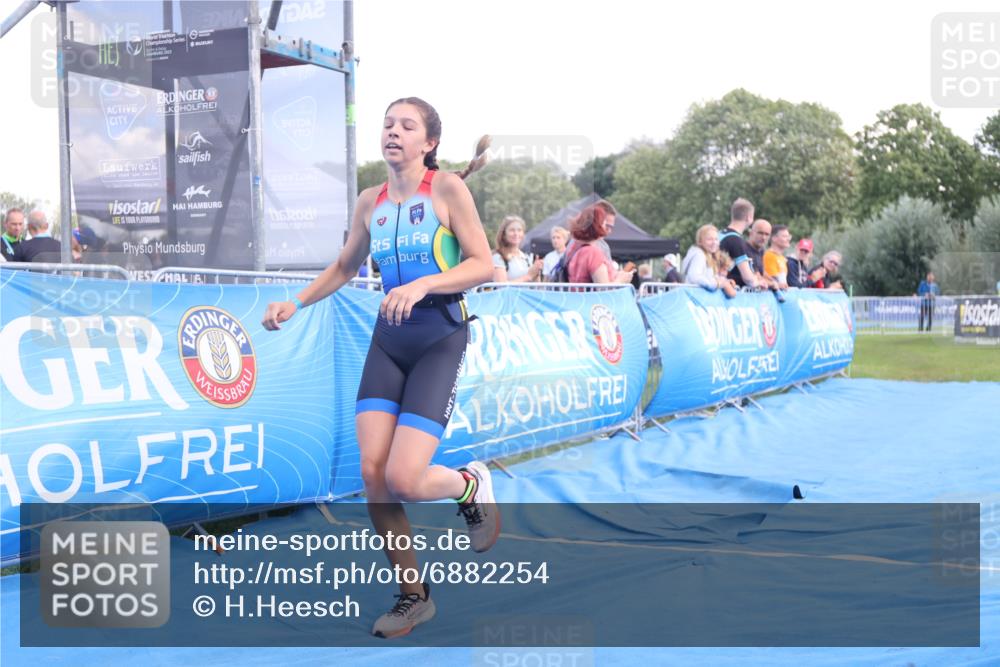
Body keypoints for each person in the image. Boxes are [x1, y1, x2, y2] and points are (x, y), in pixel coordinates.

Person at [262, 97, 498, 639]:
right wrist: (294, 303)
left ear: (428, 143)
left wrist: (421, 284)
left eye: (406, 125)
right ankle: (414, 596)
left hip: (440, 337)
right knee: (373, 476)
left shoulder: (445, 189)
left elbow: (483, 263)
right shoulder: (370, 200)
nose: (393, 131)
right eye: (387, 123)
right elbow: (346, 265)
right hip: (389, 342)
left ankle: (467, 485)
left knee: (405, 479)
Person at [565, 201, 634, 284]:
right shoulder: (593, 252)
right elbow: (604, 289)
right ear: (596, 225)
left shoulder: (575, 249)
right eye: (605, 224)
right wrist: (620, 280)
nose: (608, 230)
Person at [681, 224, 737, 297]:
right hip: (694, 298)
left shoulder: (708, 255)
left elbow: (707, 277)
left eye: (716, 239)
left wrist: (724, 282)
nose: (714, 242)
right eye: (709, 239)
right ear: (700, 241)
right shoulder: (699, 255)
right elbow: (694, 277)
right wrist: (717, 284)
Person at [719, 198, 760, 289]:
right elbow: (748, 278)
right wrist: (759, 282)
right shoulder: (736, 240)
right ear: (748, 217)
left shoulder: (719, 234)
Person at [492, 215, 543, 282]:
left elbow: (536, 287)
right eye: (512, 230)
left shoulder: (526, 258)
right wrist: (528, 276)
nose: (516, 234)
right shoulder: (498, 257)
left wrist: (536, 272)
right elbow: (501, 286)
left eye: (519, 230)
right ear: (504, 234)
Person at [763, 224, 792, 289]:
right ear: (774, 238)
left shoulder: (782, 258)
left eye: (789, 236)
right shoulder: (769, 256)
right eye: (784, 236)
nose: (788, 239)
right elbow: (772, 279)